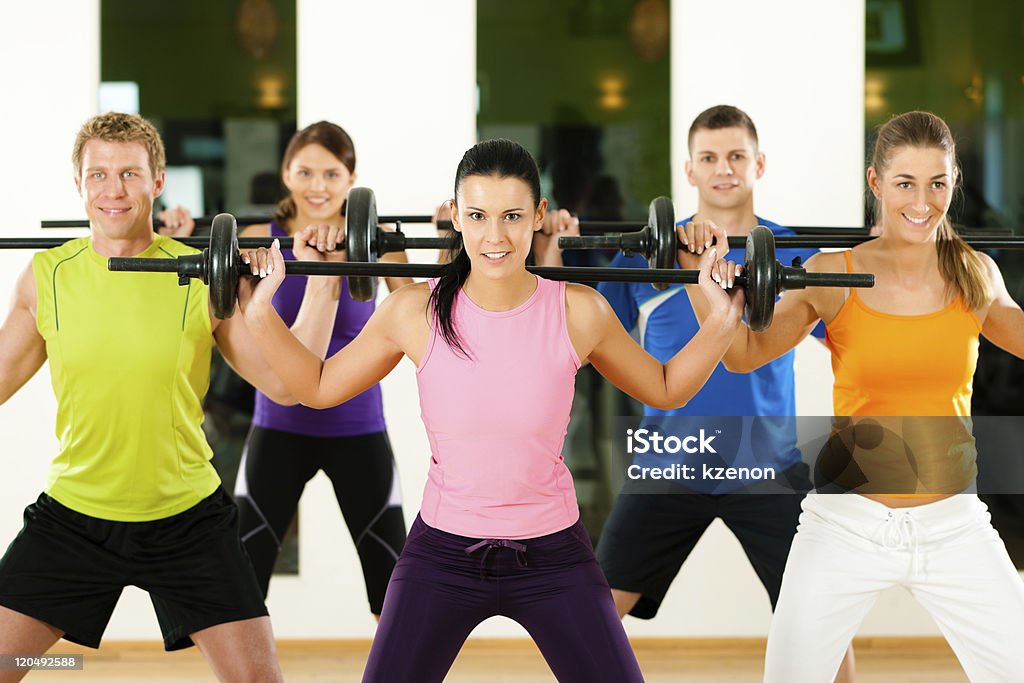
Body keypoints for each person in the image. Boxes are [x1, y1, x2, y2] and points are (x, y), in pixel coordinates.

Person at [236, 138, 744, 683]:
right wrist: (261, 309)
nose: (494, 236)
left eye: (512, 216)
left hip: (553, 554)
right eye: (477, 216)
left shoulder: (578, 311)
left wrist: (720, 321)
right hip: (441, 556)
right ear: (455, 216)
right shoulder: (416, 312)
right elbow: (316, 385)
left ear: (539, 216)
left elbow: (664, 387)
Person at [688, 111, 1024, 682]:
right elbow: (742, 354)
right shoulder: (832, 274)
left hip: (953, 523)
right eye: (905, 184)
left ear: (954, 183)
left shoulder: (975, 274)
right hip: (847, 523)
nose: (923, 201)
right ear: (875, 182)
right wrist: (712, 295)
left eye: (937, 184)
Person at [0, 112, 333, 682]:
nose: (113, 190)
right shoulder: (47, 276)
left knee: (259, 681)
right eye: (98, 174)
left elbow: (288, 384)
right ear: (77, 183)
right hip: (76, 517)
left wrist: (321, 279)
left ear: (157, 182)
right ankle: (68, 665)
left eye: (130, 174)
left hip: (187, 519)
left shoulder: (199, 275)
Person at [539, 104, 854, 681]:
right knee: (596, 610)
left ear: (759, 163)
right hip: (669, 462)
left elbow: (854, 337)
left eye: (736, 156)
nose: (723, 169)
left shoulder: (790, 254)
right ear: (689, 171)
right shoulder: (649, 253)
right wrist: (552, 252)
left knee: (819, 619)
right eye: (709, 157)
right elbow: (574, 325)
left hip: (765, 463)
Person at [232, 121, 411, 617]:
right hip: (278, 427)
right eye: (305, 171)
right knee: (240, 589)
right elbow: (230, 325)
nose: (317, 185)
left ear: (351, 178)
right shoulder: (253, 242)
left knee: (394, 589)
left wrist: (451, 241)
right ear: (286, 173)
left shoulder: (378, 243)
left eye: (331, 174)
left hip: (358, 427)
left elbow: (427, 316)